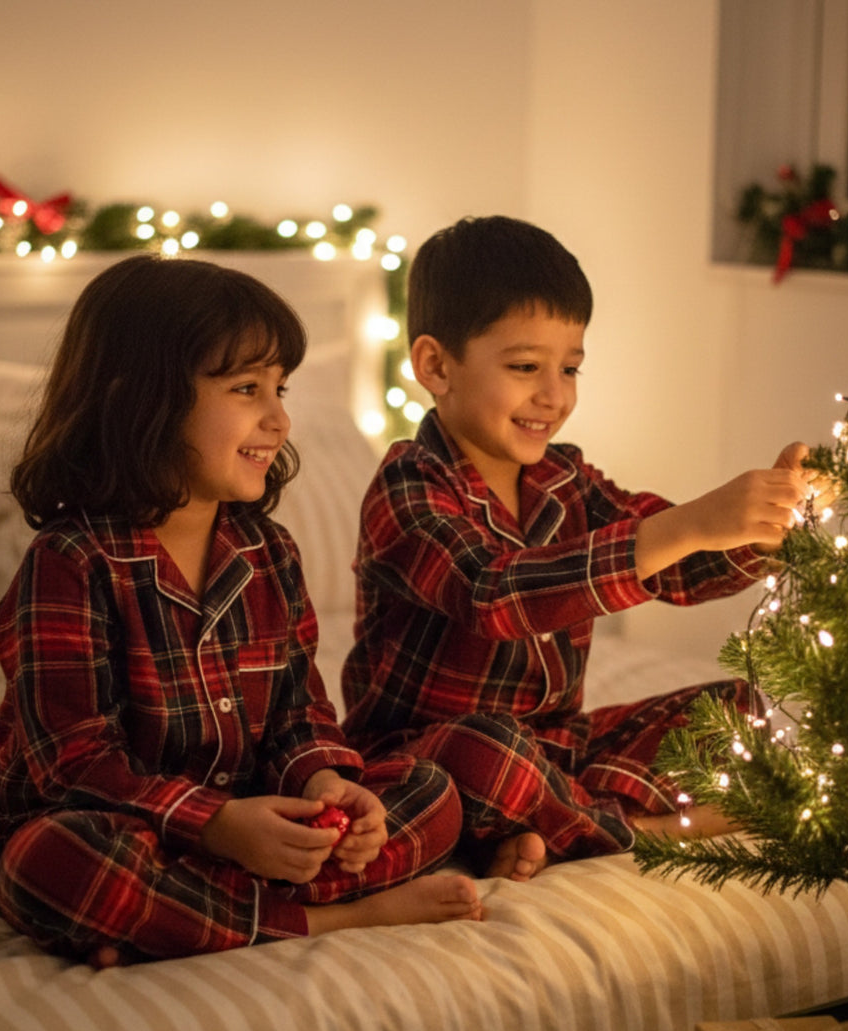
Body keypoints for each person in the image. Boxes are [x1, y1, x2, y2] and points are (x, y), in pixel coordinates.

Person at [0, 254, 481, 966]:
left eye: (281, 388)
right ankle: (338, 917)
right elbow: (75, 763)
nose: (279, 417)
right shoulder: (73, 562)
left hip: (257, 816)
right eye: (246, 389)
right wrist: (217, 827)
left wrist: (327, 784)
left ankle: (184, 918)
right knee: (53, 866)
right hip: (121, 824)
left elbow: (298, 717)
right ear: (142, 400)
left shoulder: (268, 553)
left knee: (428, 791)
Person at [340, 215, 819, 882]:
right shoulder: (408, 487)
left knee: (736, 708)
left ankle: (542, 828)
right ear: (434, 365)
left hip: (559, 749)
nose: (555, 395)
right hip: (427, 757)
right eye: (525, 367)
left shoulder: (568, 479)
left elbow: (675, 568)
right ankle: (642, 829)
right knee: (489, 753)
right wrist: (692, 523)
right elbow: (497, 593)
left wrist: (762, 529)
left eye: (570, 368)